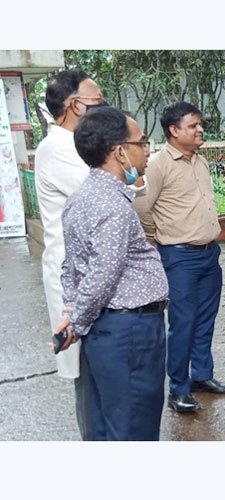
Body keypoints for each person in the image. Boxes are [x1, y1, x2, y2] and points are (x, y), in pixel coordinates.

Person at [34, 70, 148, 438]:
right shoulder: (57, 149)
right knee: (91, 376)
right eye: (98, 103)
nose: (104, 108)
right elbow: (113, 187)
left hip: (90, 271)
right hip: (84, 273)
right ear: (73, 105)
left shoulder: (76, 148)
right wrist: (77, 316)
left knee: (104, 372)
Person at [54, 107, 168, 440]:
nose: (146, 151)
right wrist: (76, 322)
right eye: (141, 142)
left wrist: (71, 311)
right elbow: (103, 272)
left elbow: (71, 264)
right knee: (134, 428)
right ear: (120, 152)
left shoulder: (81, 198)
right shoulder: (113, 205)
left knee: (106, 425)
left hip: (105, 331)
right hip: (129, 332)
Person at [134, 101, 225, 414]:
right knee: (183, 323)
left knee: (206, 319)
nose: (200, 129)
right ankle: (178, 389)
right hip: (179, 257)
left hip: (209, 254)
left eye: (199, 124)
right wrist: (156, 241)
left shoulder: (198, 161)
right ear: (173, 130)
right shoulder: (158, 164)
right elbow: (142, 207)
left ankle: (201, 376)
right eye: (192, 125)